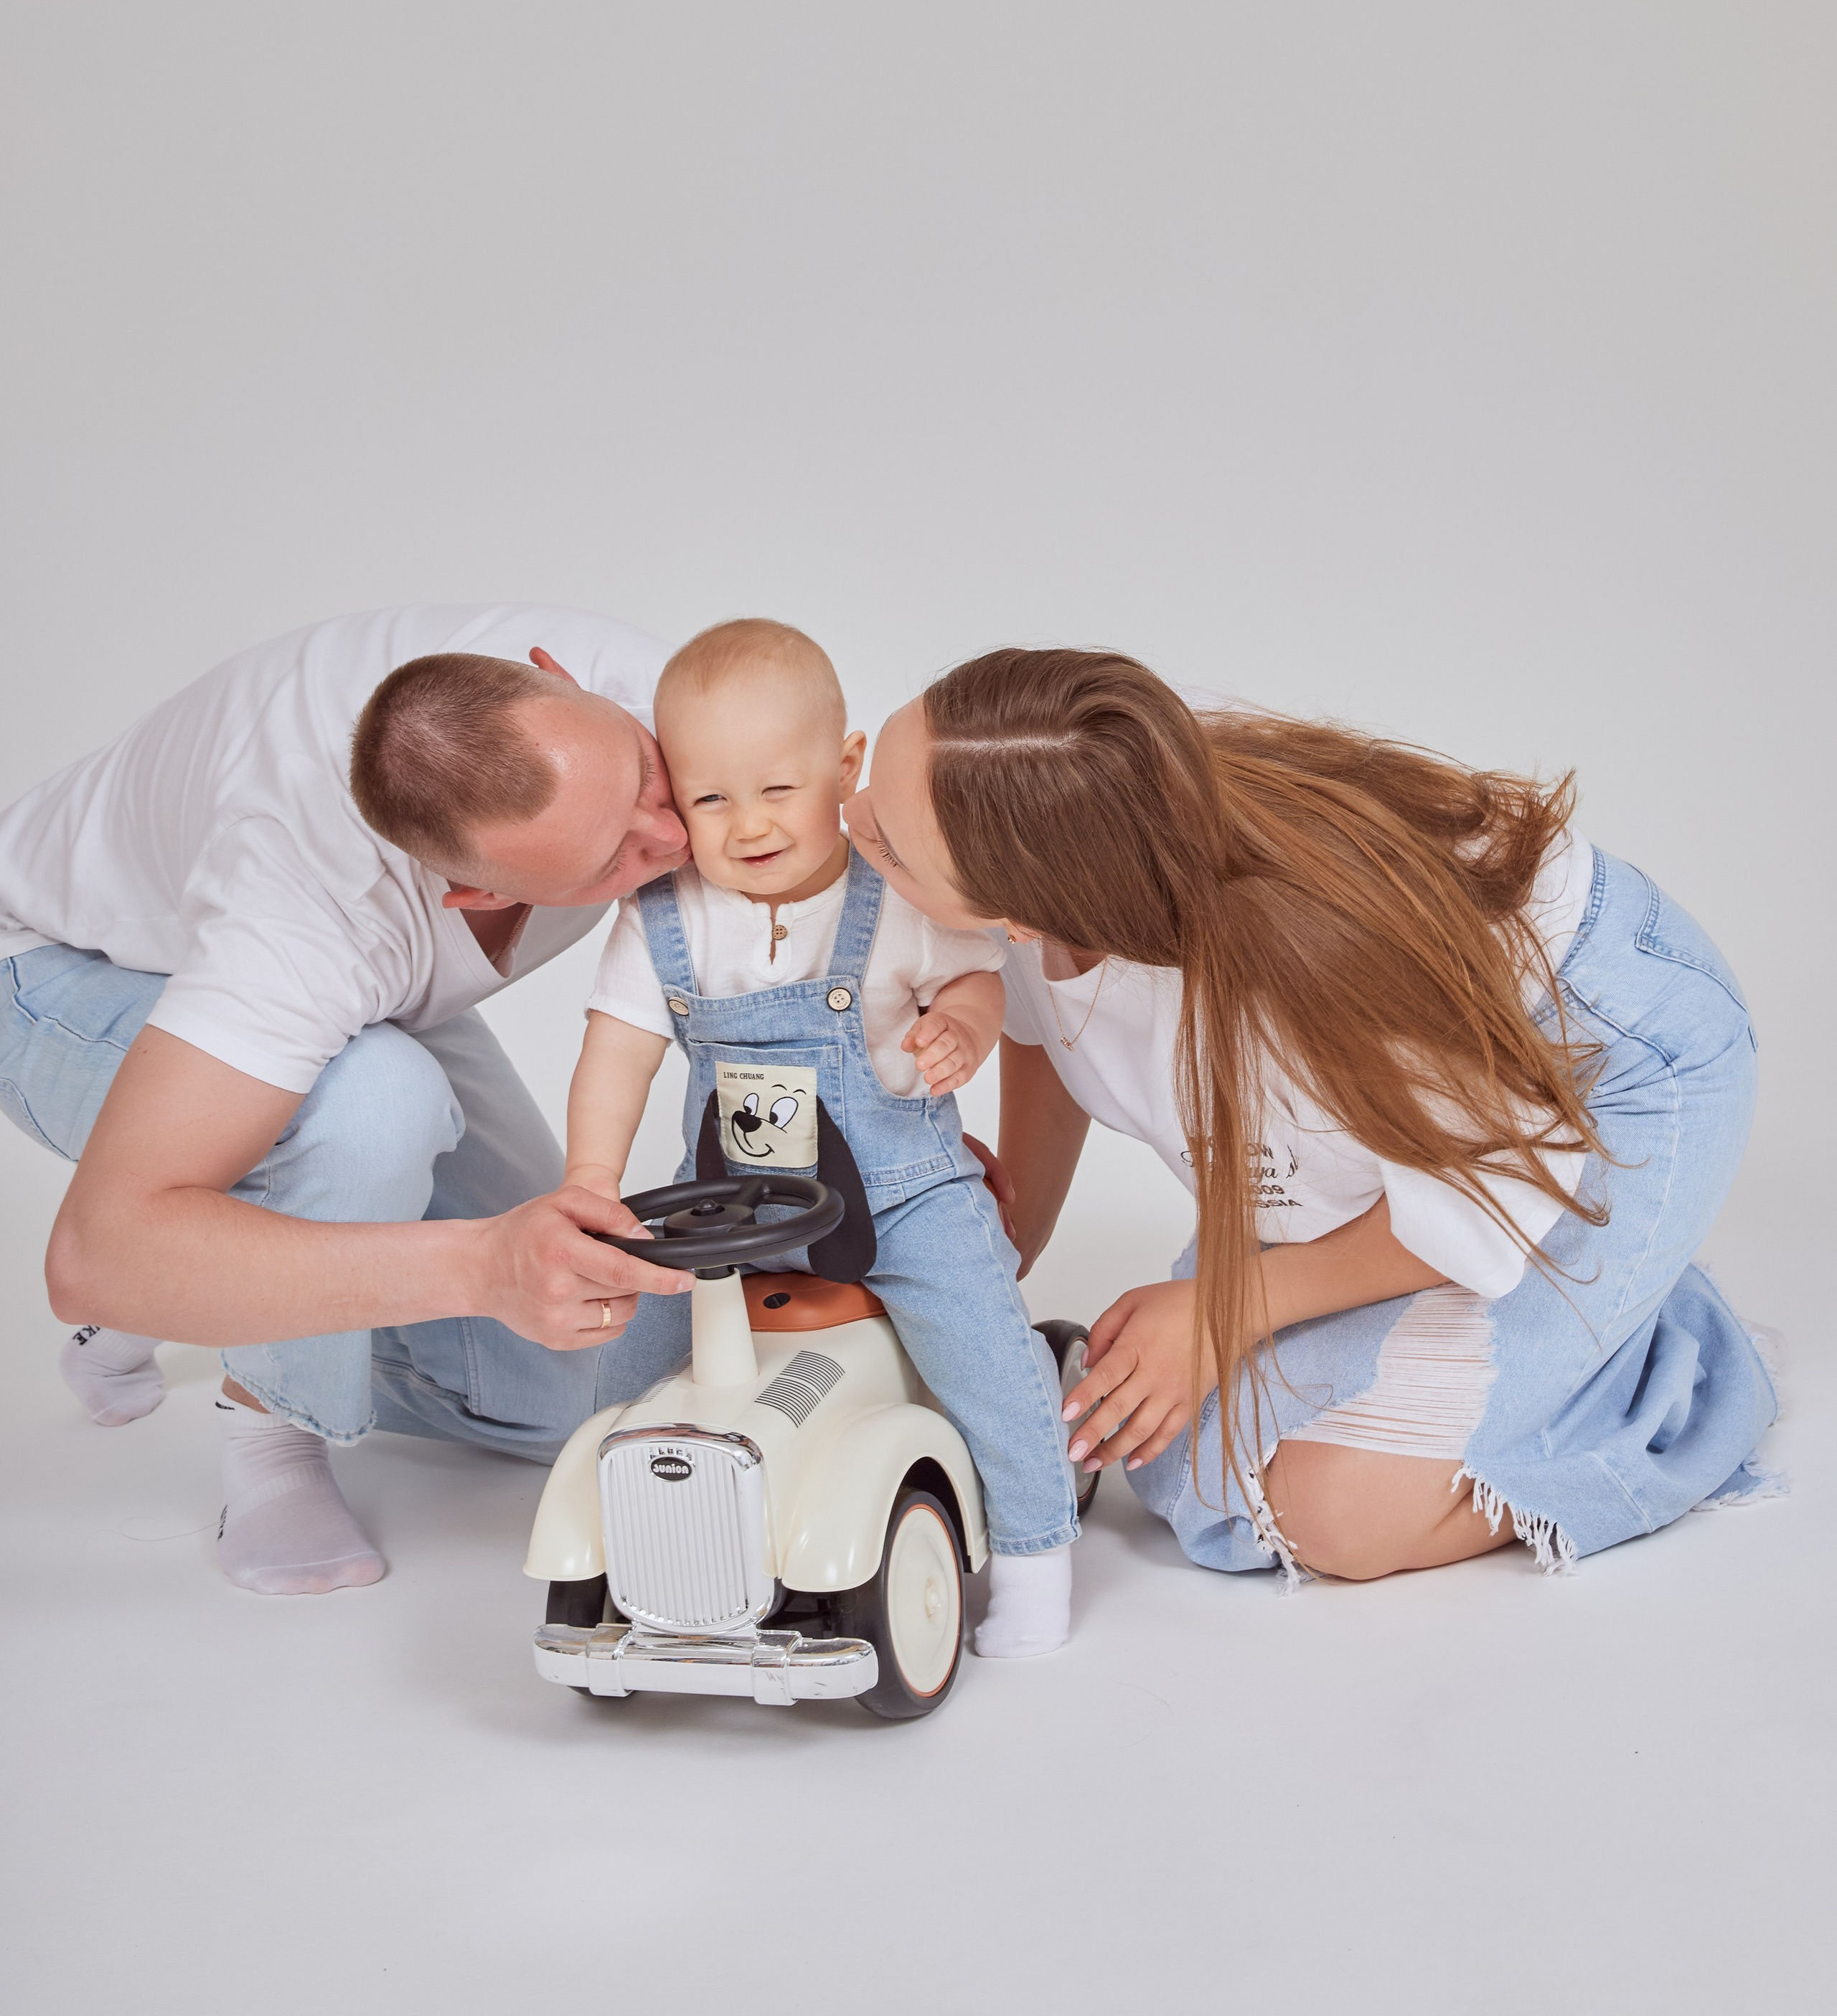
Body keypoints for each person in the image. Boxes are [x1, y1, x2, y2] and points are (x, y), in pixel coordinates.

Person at [839, 648, 1779, 1585]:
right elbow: (1049, 1022)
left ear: (1020, 913)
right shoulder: (1079, 828)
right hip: (1402, 1093)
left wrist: (1227, 1316)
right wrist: (1004, 1254)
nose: (851, 822)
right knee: (1165, 1438)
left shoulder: (1310, 976)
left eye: (884, 845)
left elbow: (1481, 1188)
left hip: (1594, 1069)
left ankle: (1649, 1343)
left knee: (1337, 1517)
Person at [0, 605, 698, 1596]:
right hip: (56, 968)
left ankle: (203, 1271)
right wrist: (479, 1270)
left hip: (352, 1005)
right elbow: (90, 1255)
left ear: (563, 679)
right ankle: (269, 1430)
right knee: (377, 1105)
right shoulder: (305, 914)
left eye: (644, 780)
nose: (673, 836)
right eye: (610, 865)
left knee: (582, 1394)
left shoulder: (665, 698)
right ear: (474, 893)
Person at [565, 619, 1079, 1657]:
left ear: (844, 769)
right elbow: (617, 1052)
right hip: (725, 1203)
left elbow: (983, 980)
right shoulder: (666, 916)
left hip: (902, 1188)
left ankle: (1034, 1551)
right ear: (676, 795)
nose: (746, 826)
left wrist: (963, 1027)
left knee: (982, 1341)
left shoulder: (897, 895)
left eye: (776, 790)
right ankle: (638, 1533)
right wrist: (590, 1180)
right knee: (626, 1360)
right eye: (711, 798)